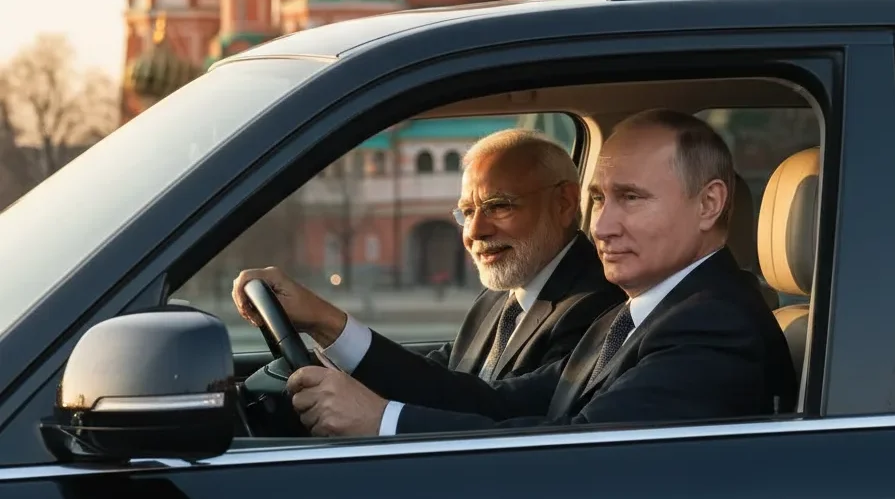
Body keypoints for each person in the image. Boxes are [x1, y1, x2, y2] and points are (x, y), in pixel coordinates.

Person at [269, 110, 798, 437]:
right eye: (598, 198)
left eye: (631, 198)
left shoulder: (714, 326)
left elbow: (581, 448)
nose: (603, 226)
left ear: (709, 205)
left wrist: (381, 422)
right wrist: (330, 328)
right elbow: (496, 401)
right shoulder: (635, 315)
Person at [233, 129, 624, 387]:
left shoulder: (596, 306)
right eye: (467, 212)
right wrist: (329, 348)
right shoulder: (505, 295)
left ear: (564, 203)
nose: (474, 233)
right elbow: (441, 374)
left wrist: (327, 321)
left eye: (498, 206)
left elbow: (493, 407)